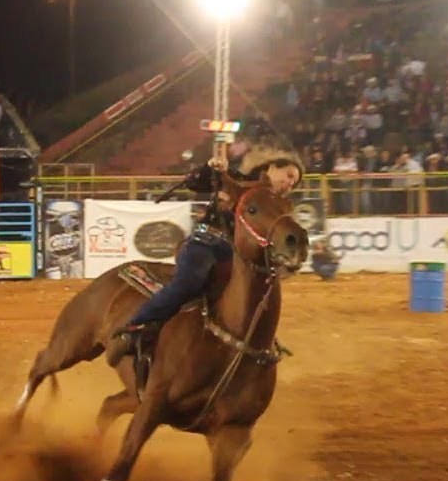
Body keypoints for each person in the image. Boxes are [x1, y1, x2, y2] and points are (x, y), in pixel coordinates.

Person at [109, 146, 304, 356]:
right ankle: (135, 327)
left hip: (234, 257)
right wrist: (211, 168)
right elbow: (196, 183)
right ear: (273, 167)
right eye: (289, 176)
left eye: (295, 182)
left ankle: (260, 340)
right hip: (206, 244)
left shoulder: (277, 208)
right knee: (189, 282)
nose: (291, 183)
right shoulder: (235, 179)